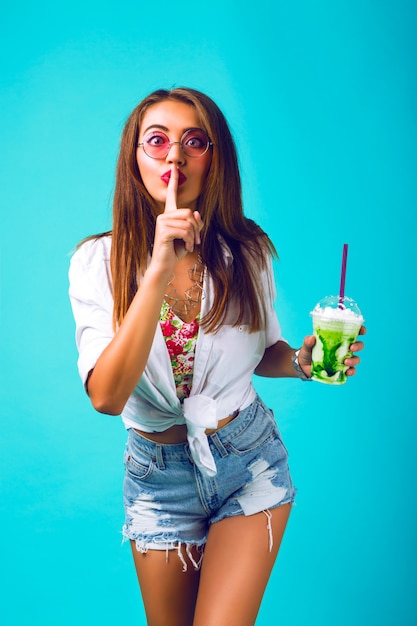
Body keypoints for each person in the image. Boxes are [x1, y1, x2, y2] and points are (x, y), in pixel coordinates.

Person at [68, 87, 365, 626]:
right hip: (160, 478)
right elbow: (107, 396)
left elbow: (261, 353)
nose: (174, 155)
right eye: (156, 141)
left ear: (214, 158)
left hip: (248, 458)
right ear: (135, 159)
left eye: (194, 141)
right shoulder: (97, 262)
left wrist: (302, 361)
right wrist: (158, 268)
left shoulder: (246, 251)